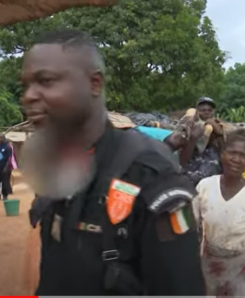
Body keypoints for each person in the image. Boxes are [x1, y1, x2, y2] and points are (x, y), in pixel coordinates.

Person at [21, 29, 205, 296]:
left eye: (46, 81)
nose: (28, 96)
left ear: (94, 84)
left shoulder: (152, 179)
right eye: (25, 85)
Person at [193, 128, 245, 297]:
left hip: (242, 264)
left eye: (243, 155)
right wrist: (191, 265)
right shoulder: (205, 186)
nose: (236, 159)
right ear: (221, 154)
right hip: (210, 264)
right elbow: (193, 229)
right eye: (232, 153)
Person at [180, 97, 224, 186]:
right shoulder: (190, 124)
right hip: (191, 157)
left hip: (210, 159)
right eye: (203, 110)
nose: (206, 112)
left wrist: (217, 129)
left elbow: (223, 136)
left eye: (209, 110)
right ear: (197, 111)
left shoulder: (216, 123)